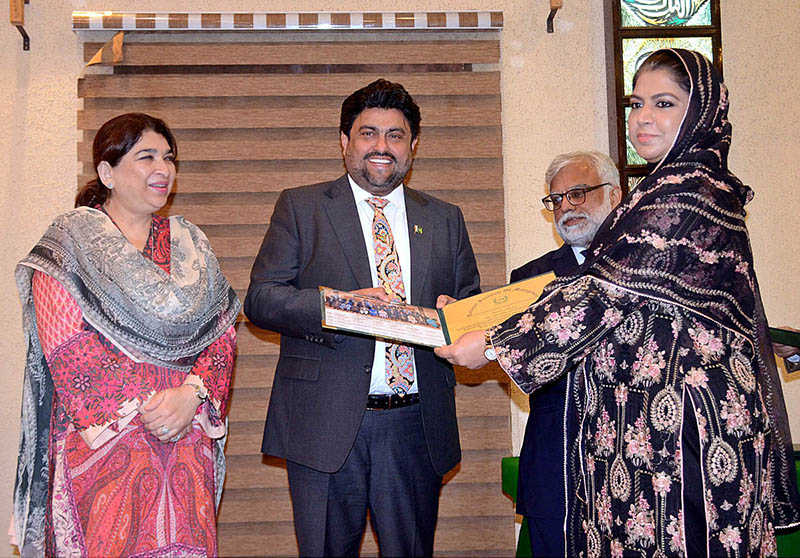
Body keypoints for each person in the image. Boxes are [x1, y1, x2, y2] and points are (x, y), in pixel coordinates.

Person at [436, 49, 800, 557]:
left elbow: (604, 292)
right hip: (655, 426)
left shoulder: (686, 190)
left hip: (686, 433)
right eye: (636, 103)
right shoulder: (676, 187)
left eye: (665, 103)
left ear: (700, 112)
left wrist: (495, 344)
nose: (643, 118)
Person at [244, 79, 481, 557]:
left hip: (415, 425)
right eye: (368, 133)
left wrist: (455, 317)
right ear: (345, 142)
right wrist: (341, 307)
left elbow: (467, 303)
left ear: (413, 146)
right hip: (323, 425)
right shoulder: (302, 206)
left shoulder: (445, 217)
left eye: (395, 135)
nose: (381, 146)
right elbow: (261, 299)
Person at [13, 113, 241, 557]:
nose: (163, 169)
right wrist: (153, 407)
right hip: (102, 444)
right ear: (107, 172)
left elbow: (222, 332)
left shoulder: (190, 241)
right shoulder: (70, 243)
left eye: (169, 158)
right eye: (147, 157)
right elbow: (67, 348)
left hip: (185, 435)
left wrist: (190, 396)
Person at [512, 151, 621, 557]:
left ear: (614, 196)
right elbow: (523, 364)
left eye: (578, 193)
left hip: (638, 457)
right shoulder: (527, 280)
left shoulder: (648, 269)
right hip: (556, 463)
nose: (565, 208)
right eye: (556, 199)